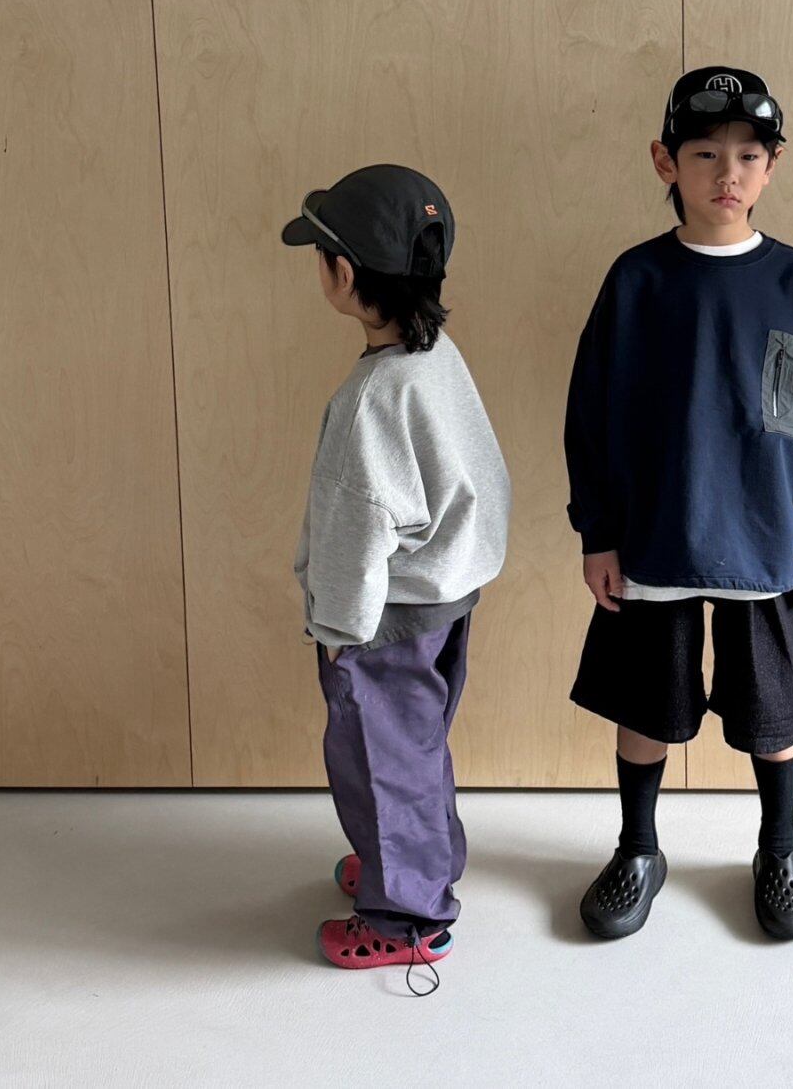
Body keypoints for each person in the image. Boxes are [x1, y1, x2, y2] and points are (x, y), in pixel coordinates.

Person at [563, 66, 793, 941]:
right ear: (665, 161)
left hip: (768, 538)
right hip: (656, 532)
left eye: (747, 155)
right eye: (705, 153)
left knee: (775, 711)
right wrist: (599, 531)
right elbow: (592, 412)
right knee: (644, 706)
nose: (727, 173)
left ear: (772, 167)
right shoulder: (637, 281)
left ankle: (780, 849)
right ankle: (637, 849)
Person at [281, 165, 510, 993]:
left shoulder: (371, 401)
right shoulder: (437, 357)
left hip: (385, 616)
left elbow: (355, 532)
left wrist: (339, 632)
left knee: (377, 758)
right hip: (446, 592)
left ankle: (407, 917)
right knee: (415, 745)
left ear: (343, 275)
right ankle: (417, 857)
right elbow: (482, 471)